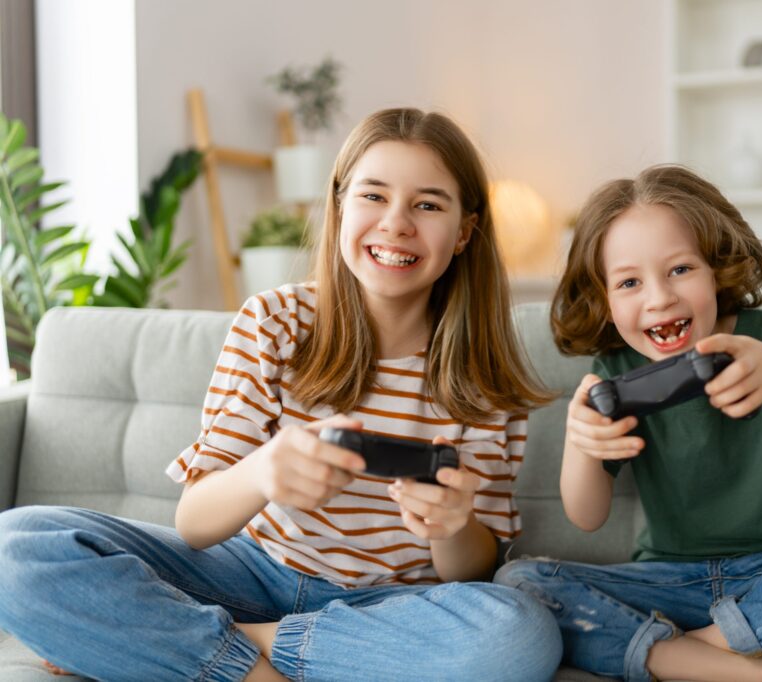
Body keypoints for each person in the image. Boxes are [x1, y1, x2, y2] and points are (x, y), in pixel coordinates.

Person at [0, 108, 562, 682]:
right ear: (340, 207)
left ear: (464, 231)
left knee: (520, 635)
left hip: (389, 609)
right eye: (373, 196)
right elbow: (195, 523)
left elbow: (470, 571)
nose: (396, 224)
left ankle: (209, 643)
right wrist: (263, 471)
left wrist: (450, 526)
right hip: (247, 574)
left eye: (428, 204)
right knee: (15, 546)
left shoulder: (484, 373)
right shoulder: (274, 321)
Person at [495, 164, 762, 682]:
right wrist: (581, 441)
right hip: (666, 583)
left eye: (680, 269)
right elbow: (586, 516)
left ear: (716, 268)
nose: (659, 298)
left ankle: (689, 653)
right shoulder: (615, 372)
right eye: (629, 281)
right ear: (604, 301)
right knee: (519, 582)